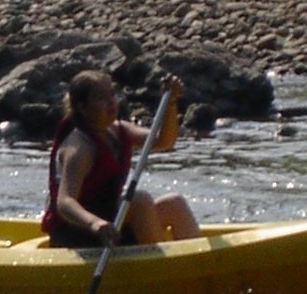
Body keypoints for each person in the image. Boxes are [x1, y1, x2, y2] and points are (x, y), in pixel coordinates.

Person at [42, 69, 200, 248]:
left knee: (174, 204)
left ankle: (196, 262)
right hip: (81, 235)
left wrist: (171, 102)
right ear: (83, 108)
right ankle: (165, 266)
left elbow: (164, 141)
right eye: (102, 98)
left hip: (111, 224)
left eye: (112, 95)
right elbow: (65, 202)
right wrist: (95, 224)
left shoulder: (118, 130)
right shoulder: (79, 148)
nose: (111, 103)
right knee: (138, 201)